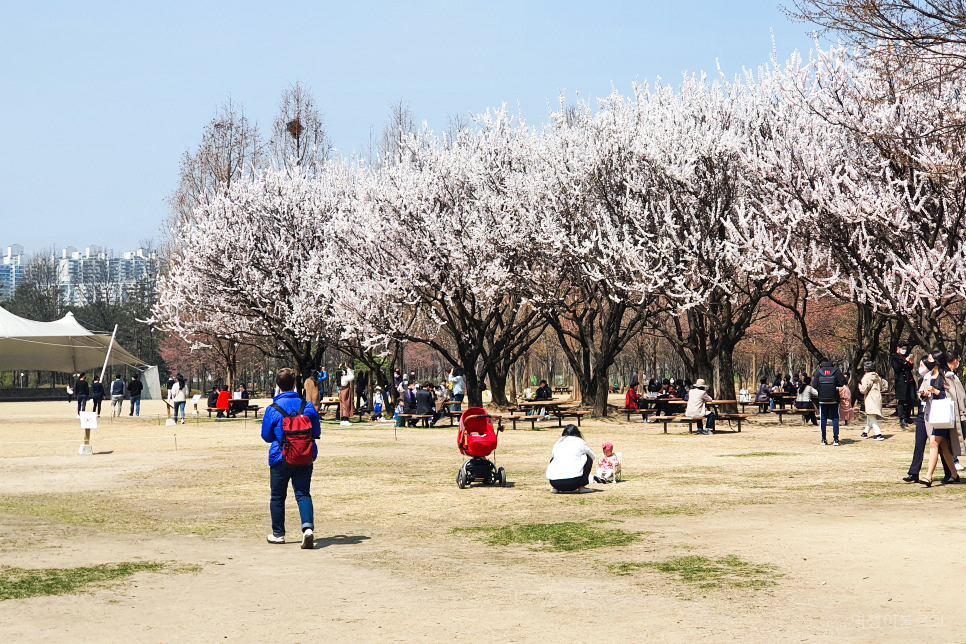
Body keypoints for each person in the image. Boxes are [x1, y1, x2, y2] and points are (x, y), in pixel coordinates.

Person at [261, 367, 321, 548]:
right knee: (303, 493)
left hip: (280, 457)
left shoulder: (273, 409)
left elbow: (266, 436)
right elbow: (316, 432)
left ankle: (278, 533)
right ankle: (307, 529)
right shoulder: (307, 406)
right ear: (295, 383)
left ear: (278, 385)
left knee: (278, 496)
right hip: (304, 455)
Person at [919, 351, 962, 487]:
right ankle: (954, 474)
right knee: (943, 446)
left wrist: (935, 391)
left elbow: (952, 396)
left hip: (944, 415)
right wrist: (924, 394)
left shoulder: (946, 376)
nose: (928, 360)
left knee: (933, 443)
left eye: (931, 358)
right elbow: (922, 393)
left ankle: (928, 476)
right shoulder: (929, 376)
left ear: (937, 360)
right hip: (933, 414)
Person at [546, 425, 595, 493]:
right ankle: (582, 487)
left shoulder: (557, 444)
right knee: (587, 457)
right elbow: (592, 456)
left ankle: (555, 488)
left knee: (553, 459)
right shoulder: (580, 442)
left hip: (555, 482)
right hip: (574, 482)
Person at [813, 358, 846, 445]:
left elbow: (814, 385)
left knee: (823, 418)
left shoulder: (818, 372)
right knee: (835, 418)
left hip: (822, 399)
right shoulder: (836, 371)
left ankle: (823, 439)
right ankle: (836, 440)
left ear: (822, 364)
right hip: (834, 399)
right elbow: (842, 382)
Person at [858, 361, 887, 441]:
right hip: (877, 396)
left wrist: (859, 387)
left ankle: (878, 434)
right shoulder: (877, 376)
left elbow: (864, 390)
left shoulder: (866, 377)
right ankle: (865, 432)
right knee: (870, 415)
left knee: (871, 415)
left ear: (865, 368)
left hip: (870, 397)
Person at [892, 341, 916, 427]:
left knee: (912, 399)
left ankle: (907, 416)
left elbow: (910, 367)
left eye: (905, 349)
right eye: (903, 349)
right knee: (901, 400)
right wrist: (905, 361)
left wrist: (911, 362)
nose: (904, 350)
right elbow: (897, 368)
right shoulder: (895, 357)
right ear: (898, 348)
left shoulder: (906, 356)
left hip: (910, 380)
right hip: (901, 381)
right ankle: (901, 418)